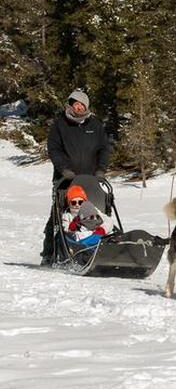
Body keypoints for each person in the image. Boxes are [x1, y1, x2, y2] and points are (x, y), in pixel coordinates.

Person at [40, 90, 111, 264]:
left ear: (86, 106)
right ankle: (50, 253)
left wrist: (101, 169)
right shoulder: (60, 125)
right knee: (59, 216)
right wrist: (63, 169)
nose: (78, 107)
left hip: (90, 180)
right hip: (66, 179)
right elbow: (54, 149)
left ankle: (99, 248)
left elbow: (104, 148)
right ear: (70, 105)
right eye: (75, 104)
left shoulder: (95, 125)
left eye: (82, 104)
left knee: (97, 213)